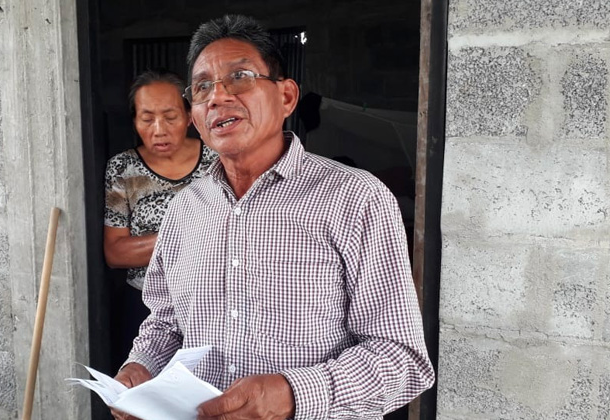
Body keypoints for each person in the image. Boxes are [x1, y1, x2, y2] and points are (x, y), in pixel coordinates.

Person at [113, 15, 434, 420]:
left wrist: (293, 394)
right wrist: (140, 366)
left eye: (240, 77)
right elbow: (166, 323)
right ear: (195, 116)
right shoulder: (184, 211)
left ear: (286, 97)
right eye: (202, 87)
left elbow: (402, 360)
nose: (218, 97)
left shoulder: (355, 199)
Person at [103, 69, 218, 363]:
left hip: (209, 303)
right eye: (146, 119)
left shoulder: (218, 160)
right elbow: (116, 253)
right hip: (144, 306)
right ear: (134, 121)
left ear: (190, 116)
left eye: (170, 117)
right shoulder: (122, 169)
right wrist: (188, 233)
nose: (159, 129)